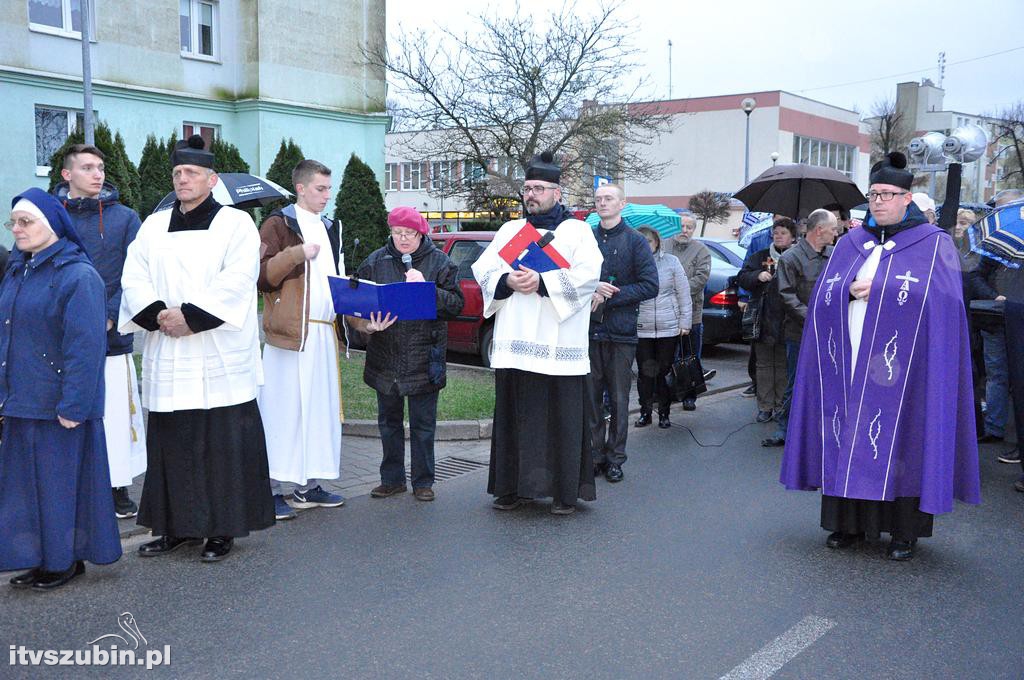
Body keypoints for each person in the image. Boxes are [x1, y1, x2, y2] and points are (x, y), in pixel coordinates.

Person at [780, 152, 981, 560]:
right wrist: (847, 287)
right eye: (873, 194)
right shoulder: (851, 242)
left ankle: (903, 532)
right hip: (851, 364)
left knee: (904, 441)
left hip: (905, 371)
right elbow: (823, 293)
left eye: (888, 194)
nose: (879, 201)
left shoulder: (933, 243)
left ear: (908, 198)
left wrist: (885, 290)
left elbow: (945, 303)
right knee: (849, 435)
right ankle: (848, 525)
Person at [119, 135, 274, 562]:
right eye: (177, 173)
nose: (182, 179)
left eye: (190, 173)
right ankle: (173, 527)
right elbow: (134, 276)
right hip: (168, 350)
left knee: (219, 443)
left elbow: (238, 279)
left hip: (216, 351)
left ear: (211, 179)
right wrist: (156, 315)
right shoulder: (154, 225)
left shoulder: (235, 224)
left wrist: (191, 317)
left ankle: (221, 528)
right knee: (172, 443)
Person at [0, 188, 121, 590]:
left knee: (58, 489)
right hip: (22, 399)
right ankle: (41, 557)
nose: (17, 229)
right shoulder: (20, 270)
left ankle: (64, 561)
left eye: (25, 221)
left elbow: (86, 348)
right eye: (12, 222)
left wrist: (74, 404)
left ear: (51, 225)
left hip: (57, 403)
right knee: (28, 491)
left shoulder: (77, 275)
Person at [471, 151, 602, 515]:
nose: (531, 195)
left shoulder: (577, 231)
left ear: (557, 192)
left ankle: (564, 493)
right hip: (516, 343)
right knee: (517, 418)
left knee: (561, 419)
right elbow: (483, 269)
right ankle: (512, 489)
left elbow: (589, 275)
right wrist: (506, 279)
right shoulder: (511, 230)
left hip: (559, 344)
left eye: (539, 188)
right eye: (527, 188)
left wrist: (543, 281)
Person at [54, 144, 147, 521]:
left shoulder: (125, 219)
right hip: (59, 337)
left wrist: (108, 315)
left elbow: (137, 275)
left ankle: (115, 487)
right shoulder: (50, 216)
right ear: (66, 175)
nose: (98, 174)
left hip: (109, 337)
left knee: (112, 416)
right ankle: (70, 486)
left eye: (101, 167)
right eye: (88, 167)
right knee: (67, 414)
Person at [347, 206, 463, 502]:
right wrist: (366, 325)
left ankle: (423, 481)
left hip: (425, 358)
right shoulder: (376, 260)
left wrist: (427, 289)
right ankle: (392, 479)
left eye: (408, 234)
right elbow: (354, 305)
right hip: (385, 355)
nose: (402, 239)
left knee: (423, 426)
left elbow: (456, 306)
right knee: (388, 423)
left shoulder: (441, 262)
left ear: (421, 232)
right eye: (396, 233)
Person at [257, 160, 346, 520]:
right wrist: (296, 253)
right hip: (290, 334)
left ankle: (307, 485)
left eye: (329, 188)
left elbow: (335, 280)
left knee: (316, 411)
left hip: (323, 332)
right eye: (321, 188)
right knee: (283, 410)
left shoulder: (330, 227)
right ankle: (272, 486)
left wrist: (360, 320)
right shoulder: (279, 224)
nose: (327, 195)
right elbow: (261, 276)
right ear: (301, 187)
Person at [587, 185, 658, 482]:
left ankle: (616, 458)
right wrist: (591, 287)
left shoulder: (636, 242)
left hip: (621, 333)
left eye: (609, 199)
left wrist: (611, 294)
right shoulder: (586, 238)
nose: (603, 203)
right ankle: (594, 456)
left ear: (622, 204)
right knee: (590, 399)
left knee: (618, 399)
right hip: (589, 331)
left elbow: (650, 285)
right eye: (599, 199)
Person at [762, 209, 837, 447]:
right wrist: (813, 318)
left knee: (828, 381)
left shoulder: (834, 255)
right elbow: (786, 295)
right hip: (799, 331)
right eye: (833, 229)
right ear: (819, 230)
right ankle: (784, 429)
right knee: (795, 381)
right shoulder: (791, 258)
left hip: (830, 331)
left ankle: (823, 429)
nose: (836, 233)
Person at [736, 217, 797, 423]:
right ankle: (764, 406)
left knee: (782, 364)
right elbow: (742, 277)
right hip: (763, 318)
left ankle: (781, 405)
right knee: (763, 365)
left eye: (784, 233)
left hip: (788, 319)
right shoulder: (759, 256)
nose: (778, 236)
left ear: (793, 237)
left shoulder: (797, 257)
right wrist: (757, 276)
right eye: (776, 232)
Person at [635, 226, 690, 429]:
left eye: (648, 241)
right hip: (642, 327)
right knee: (645, 372)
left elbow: (683, 293)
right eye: (641, 241)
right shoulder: (632, 264)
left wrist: (685, 322)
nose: (645, 245)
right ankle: (645, 412)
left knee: (665, 371)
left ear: (657, 242)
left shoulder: (671, 262)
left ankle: (664, 413)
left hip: (669, 327)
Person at [670, 214, 712, 409]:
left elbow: (701, 278)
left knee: (690, 356)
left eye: (689, 227)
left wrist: (678, 290)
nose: (684, 230)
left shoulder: (702, 251)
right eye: (682, 226)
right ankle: (668, 393)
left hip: (692, 312)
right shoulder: (664, 247)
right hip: (667, 313)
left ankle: (689, 396)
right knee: (668, 356)